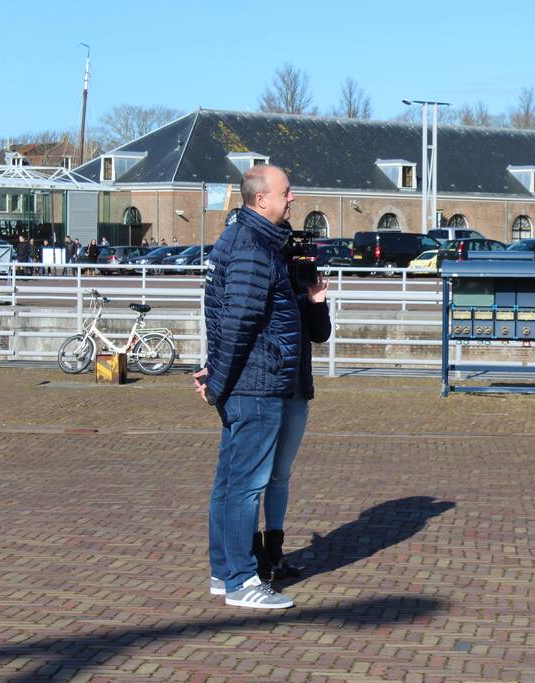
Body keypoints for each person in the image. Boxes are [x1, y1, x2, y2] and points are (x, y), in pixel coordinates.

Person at [194, 164, 301, 610]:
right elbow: (236, 321)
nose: (292, 199)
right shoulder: (255, 247)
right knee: (245, 486)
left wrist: (215, 375)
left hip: (246, 381)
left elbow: (220, 315)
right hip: (255, 385)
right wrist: (218, 380)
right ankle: (240, 579)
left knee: (230, 482)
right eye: (286, 192)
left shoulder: (239, 238)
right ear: (262, 199)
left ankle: (224, 571)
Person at [252, 229, 331, 583]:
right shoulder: (264, 277)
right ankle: (253, 555)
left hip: (297, 390)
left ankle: (275, 551)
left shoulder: (302, 285)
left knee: (281, 473)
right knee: (255, 476)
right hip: (266, 389)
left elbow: (320, 334)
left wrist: (316, 300)